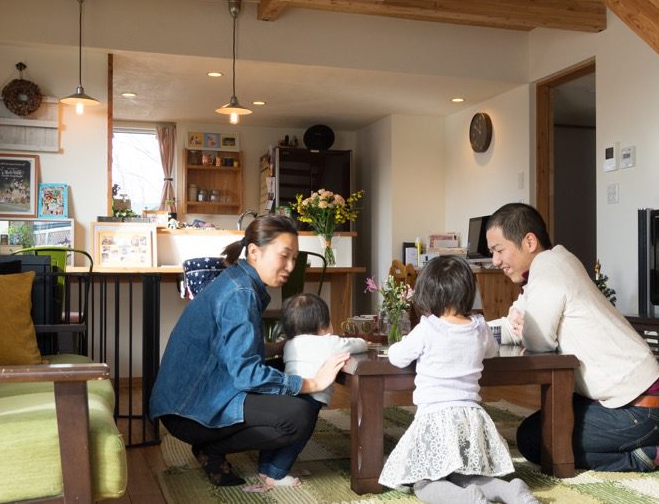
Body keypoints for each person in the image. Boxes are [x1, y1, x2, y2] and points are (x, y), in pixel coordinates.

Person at [486, 202, 659, 472]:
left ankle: (651, 454)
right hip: (629, 404)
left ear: (529, 242)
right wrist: (468, 329)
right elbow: (512, 327)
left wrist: (526, 328)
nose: (495, 261)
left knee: (534, 441)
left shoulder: (549, 268)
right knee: (542, 425)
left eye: (499, 250)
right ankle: (639, 443)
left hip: (642, 410)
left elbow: (537, 342)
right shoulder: (547, 268)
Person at [149, 215, 350, 487]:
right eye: (284, 256)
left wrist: (278, 348)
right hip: (190, 410)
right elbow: (247, 374)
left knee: (291, 370)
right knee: (298, 416)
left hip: (199, 395)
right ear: (254, 252)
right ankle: (211, 449)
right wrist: (312, 383)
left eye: (294, 258)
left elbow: (233, 352)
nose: (291, 266)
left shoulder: (238, 282)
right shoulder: (240, 293)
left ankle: (219, 446)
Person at [378, 255, 538, 504]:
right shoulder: (479, 326)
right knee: (467, 475)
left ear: (428, 293)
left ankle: (467, 500)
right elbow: (492, 351)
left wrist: (397, 345)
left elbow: (398, 357)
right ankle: (511, 491)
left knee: (424, 483)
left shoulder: (428, 328)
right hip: (471, 418)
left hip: (436, 418)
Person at [258, 293, 369, 487]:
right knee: (298, 438)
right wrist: (365, 342)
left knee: (277, 434)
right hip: (309, 400)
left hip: (286, 394)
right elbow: (358, 344)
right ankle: (277, 474)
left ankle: (265, 468)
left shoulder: (290, 343)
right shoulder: (329, 343)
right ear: (323, 324)